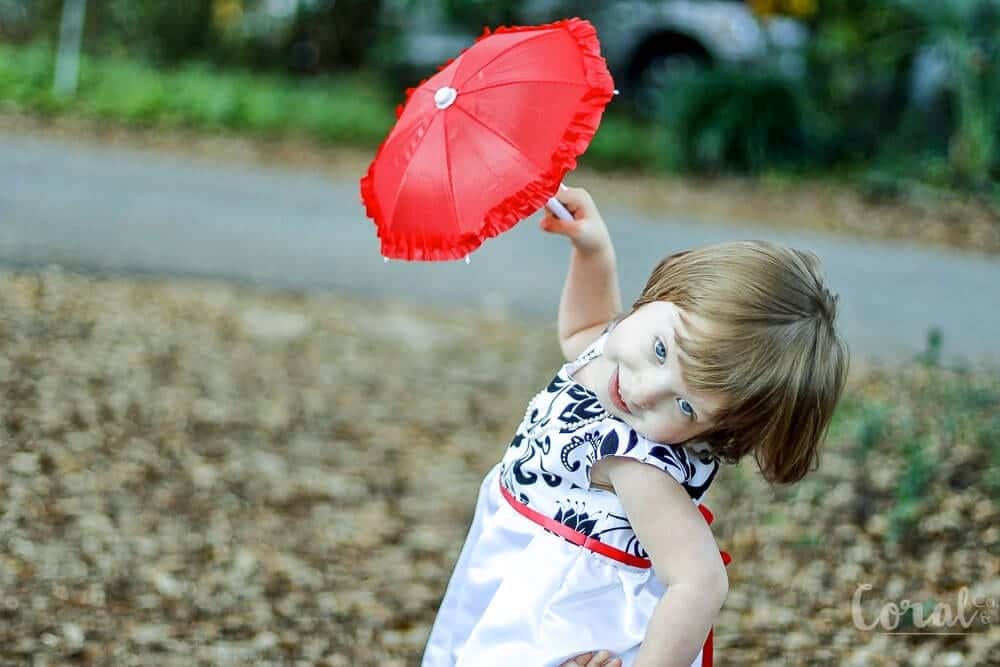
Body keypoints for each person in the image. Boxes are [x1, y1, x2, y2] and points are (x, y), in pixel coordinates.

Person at [421, 185, 849, 667]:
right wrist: (592, 250)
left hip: (558, 623)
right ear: (662, 295)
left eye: (685, 408)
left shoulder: (638, 462)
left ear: (717, 429)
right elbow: (583, 331)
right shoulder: (615, 358)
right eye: (662, 350)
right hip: (513, 571)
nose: (645, 392)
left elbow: (701, 581)